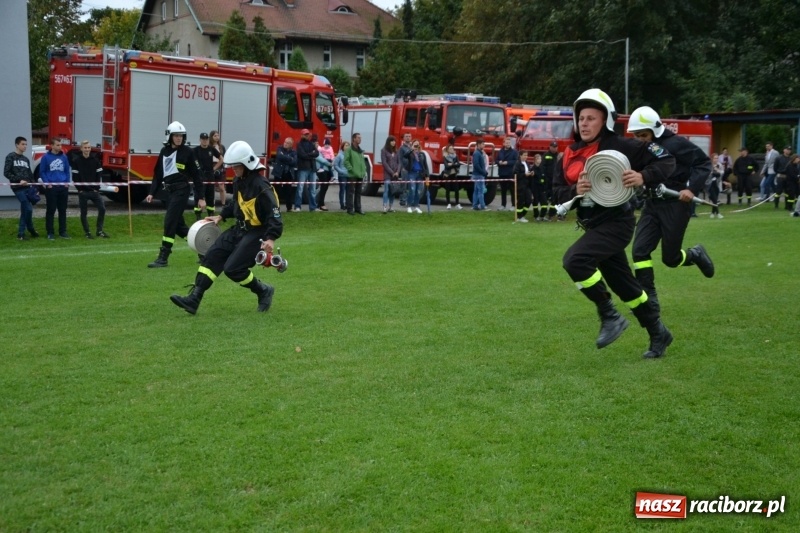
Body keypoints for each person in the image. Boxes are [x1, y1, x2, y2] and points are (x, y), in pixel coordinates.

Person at [554, 89, 676, 359]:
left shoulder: (624, 146)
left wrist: (643, 176)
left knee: (575, 261)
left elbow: (666, 159)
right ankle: (659, 332)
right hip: (594, 226)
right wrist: (575, 190)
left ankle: (609, 315)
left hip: (618, 222)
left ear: (605, 121)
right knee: (626, 286)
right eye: (581, 118)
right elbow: (556, 193)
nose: (584, 124)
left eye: (591, 118)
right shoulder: (568, 154)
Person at [170, 140, 282, 315]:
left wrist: (271, 238)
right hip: (239, 229)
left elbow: (275, 215)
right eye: (233, 166)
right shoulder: (239, 180)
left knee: (233, 269)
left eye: (237, 166)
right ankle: (194, 298)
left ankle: (263, 290)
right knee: (212, 256)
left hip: (257, 233)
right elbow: (235, 203)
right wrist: (221, 216)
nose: (233, 169)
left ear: (247, 164)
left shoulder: (262, 186)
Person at [626, 105, 715, 315]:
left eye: (643, 135)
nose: (640, 139)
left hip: (676, 205)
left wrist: (691, 189)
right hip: (652, 205)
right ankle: (648, 300)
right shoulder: (642, 149)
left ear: (655, 130)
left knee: (671, 259)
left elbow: (703, 163)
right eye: (636, 136)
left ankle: (695, 254)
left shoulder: (676, 144)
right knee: (639, 251)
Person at [145, 121, 204, 267]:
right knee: (178, 227)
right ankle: (203, 251)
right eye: (176, 135)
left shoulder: (188, 152)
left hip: (181, 191)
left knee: (169, 221)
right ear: (170, 136)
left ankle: (163, 257)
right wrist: (152, 192)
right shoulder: (164, 151)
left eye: (181, 136)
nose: (179, 138)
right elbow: (157, 174)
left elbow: (197, 176)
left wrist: (201, 198)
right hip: (169, 193)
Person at [71, 140, 109, 238]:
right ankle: (87, 232)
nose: (87, 149)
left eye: (88, 147)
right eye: (85, 148)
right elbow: (75, 177)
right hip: (83, 192)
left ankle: (99, 231)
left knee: (102, 209)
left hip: (94, 191)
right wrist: (80, 189)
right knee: (84, 213)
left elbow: (99, 175)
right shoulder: (76, 161)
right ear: (81, 149)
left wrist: (96, 188)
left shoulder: (95, 161)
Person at [4, 136, 39, 240]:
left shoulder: (26, 159)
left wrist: (35, 187)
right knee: (28, 209)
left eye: (26, 144)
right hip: (18, 188)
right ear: (17, 145)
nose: (25, 146)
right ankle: (30, 229)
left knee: (25, 210)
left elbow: (30, 174)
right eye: (23, 144)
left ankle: (21, 233)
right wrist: (19, 180)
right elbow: (6, 172)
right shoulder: (10, 157)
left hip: (28, 187)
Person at [39, 138, 72, 240]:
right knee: (51, 210)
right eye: (57, 145)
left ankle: (63, 232)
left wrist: (67, 182)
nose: (60, 147)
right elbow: (42, 172)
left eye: (60, 145)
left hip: (63, 188)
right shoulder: (45, 157)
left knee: (63, 210)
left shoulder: (64, 157)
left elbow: (67, 171)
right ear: (52, 146)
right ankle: (50, 232)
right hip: (51, 188)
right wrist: (47, 183)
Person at [193, 132, 222, 220]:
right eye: (203, 139)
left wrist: (214, 168)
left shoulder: (211, 149)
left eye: (206, 139)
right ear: (200, 140)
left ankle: (211, 215)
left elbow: (221, 159)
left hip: (210, 175)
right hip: (199, 175)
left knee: (210, 196)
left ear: (208, 140)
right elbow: (192, 161)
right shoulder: (195, 150)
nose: (205, 141)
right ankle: (198, 216)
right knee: (198, 195)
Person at [295, 129, 319, 212]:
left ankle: (313, 207)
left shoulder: (311, 144)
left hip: (312, 168)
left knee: (313, 189)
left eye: (308, 134)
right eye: (305, 134)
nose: (307, 135)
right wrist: (311, 154)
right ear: (302, 135)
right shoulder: (299, 144)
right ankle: (297, 206)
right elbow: (302, 155)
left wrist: (308, 154)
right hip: (303, 168)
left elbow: (317, 153)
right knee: (300, 188)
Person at [272, 137, 297, 213]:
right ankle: (276, 208)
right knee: (276, 191)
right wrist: (290, 158)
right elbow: (279, 156)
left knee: (288, 192)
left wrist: (285, 158)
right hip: (279, 173)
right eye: (285, 142)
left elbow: (294, 162)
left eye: (287, 143)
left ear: (291, 145)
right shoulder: (279, 148)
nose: (285, 144)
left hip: (288, 173)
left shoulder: (294, 152)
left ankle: (289, 208)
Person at [403, 139, 428, 214]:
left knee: (418, 191)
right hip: (412, 173)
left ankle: (416, 206)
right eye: (415, 144)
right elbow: (405, 156)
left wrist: (427, 175)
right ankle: (409, 206)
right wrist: (411, 149)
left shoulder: (422, 154)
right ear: (412, 145)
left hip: (420, 174)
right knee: (412, 189)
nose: (416, 146)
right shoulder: (410, 153)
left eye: (417, 144)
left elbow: (425, 165)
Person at [344, 132, 366, 215]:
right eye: (358, 138)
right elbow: (346, 161)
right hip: (352, 175)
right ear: (354, 139)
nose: (360, 139)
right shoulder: (349, 150)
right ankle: (350, 209)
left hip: (360, 174)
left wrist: (364, 170)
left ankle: (358, 208)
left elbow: (362, 162)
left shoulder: (360, 150)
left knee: (358, 192)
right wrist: (351, 169)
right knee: (351, 192)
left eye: (360, 138)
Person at [495, 137, 518, 210]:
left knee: (512, 190)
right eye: (506, 143)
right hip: (502, 173)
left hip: (510, 173)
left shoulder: (514, 152)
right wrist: (499, 162)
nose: (508, 144)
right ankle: (503, 205)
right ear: (503, 143)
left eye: (509, 143)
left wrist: (507, 162)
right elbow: (496, 160)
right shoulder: (500, 151)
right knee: (503, 190)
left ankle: (513, 205)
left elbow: (516, 161)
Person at [380, 135, 400, 213]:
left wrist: (397, 172)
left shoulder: (397, 151)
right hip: (388, 175)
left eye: (394, 141)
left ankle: (391, 206)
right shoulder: (383, 150)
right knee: (387, 190)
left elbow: (399, 163)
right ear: (388, 142)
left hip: (395, 175)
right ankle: (384, 206)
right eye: (392, 141)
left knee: (393, 191)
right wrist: (392, 172)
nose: (393, 142)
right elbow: (384, 163)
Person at [541, 141, 560, 220]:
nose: (554, 148)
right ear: (550, 147)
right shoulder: (546, 155)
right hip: (547, 180)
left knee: (554, 197)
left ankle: (551, 214)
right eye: (553, 147)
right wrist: (543, 178)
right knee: (545, 198)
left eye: (556, 147)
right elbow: (542, 167)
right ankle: (543, 214)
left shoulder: (559, 156)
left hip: (555, 180)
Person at [315, 137, 335, 211]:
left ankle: (320, 203)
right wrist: (329, 164)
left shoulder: (320, 150)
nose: (317, 144)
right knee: (323, 188)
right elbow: (322, 160)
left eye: (317, 143)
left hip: (326, 170)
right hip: (321, 171)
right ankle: (320, 204)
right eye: (315, 143)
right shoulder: (315, 152)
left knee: (325, 188)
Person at [513, 150, 534, 222]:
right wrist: (524, 175)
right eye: (524, 155)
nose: (526, 157)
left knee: (529, 200)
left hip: (527, 185)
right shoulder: (517, 164)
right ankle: (519, 216)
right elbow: (515, 174)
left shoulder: (527, 163)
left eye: (526, 155)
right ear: (520, 156)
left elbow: (528, 171)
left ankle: (523, 214)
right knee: (520, 201)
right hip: (520, 185)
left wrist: (531, 173)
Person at [707, 153, 728, 219]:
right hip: (709, 184)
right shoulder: (709, 165)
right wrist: (713, 172)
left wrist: (717, 170)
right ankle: (718, 213)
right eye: (715, 158)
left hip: (717, 183)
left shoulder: (719, 165)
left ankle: (713, 213)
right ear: (712, 159)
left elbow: (722, 173)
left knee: (715, 199)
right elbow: (707, 174)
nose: (716, 160)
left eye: (717, 158)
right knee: (714, 198)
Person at [442, 143, 461, 209]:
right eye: (450, 149)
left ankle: (457, 203)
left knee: (456, 189)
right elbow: (446, 166)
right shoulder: (445, 156)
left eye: (452, 148)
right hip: (447, 175)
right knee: (448, 189)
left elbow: (458, 164)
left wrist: (452, 164)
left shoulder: (455, 156)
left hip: (454, 174)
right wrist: (454, 164)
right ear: (447, 150)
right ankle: (448, 203)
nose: (452, 150)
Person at [209, 130, 226, 206]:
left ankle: (223, 204)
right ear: (211, 137)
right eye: (215, 136)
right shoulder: (209, 147)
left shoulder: (222, 147)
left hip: (220, 167)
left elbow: (224, 158)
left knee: (221, 188)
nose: (217, 137)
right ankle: (212, 204)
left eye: (218, 135)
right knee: (211, 187)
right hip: (211, 166)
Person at [471, 139, 488, 210]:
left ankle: (475, 205)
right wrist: (483, 172)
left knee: (476, 190)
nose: (484, 146)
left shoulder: (479, 153)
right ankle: (482, 206)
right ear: (478, 144)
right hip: (478, 175)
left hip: (478, 174)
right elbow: (476, 165)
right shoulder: (477, 153)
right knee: (481, 190)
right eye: (482, 144)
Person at [773, 145, 792, 210]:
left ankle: (787, 206)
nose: (788, 151)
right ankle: (776, 205)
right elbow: (775, 168)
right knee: (778, 191)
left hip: (788, 177)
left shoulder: (791, 159)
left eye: (789, 150)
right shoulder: (778, 158)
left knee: (787, 192)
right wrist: (780, 172)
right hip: (781, 177)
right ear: (784, 150)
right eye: (787, 149)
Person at [530, 153, 548, 221]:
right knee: (535, 203)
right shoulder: (532, 169)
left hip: (542, 189)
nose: (540, 160)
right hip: (535, 189)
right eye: (538, 159)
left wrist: (545, 187)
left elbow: (545, 178)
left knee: (545, 203)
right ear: (535, 160)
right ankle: (536, 216)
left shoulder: (543, 168)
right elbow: (531, 180)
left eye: (540, 158)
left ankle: (542, 216)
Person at [333, 141, 350, 210]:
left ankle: (347, 203)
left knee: (348, 190)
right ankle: (342, 204)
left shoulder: (349, 155)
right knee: (342, 190)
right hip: (342, 176)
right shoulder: (339, 155)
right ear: (343, 147)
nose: (347, 147)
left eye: (348, 145)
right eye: (346, 145)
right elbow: (335, 165)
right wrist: (341, 171)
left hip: (349, 175)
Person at [397, 133, 413, 206]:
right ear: (403, 138)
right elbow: (400, 159)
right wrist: (402, 168)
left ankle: (408, 200)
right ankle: (402, 200)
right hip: (404, 169)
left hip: (411, 169)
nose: (408, 138)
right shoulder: (402, 148)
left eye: (409, 136)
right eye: (406, 136)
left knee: (409, 185)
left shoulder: (412, 147)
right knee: (404, 185)